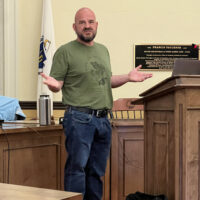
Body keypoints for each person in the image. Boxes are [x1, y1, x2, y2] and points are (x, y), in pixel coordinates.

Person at [41, 7, 152, 200]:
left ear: (96, 25)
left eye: (90, 22)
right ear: (74, 27)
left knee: (96, 171)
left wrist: (127, 77)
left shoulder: (103, 50)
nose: (87, 26)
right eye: (82, 22)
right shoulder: (65, 51)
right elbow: (58, 83)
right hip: (78, 119)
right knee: (77, 169)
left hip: (103, 121)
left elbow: (105, 80)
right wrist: (53, 86)